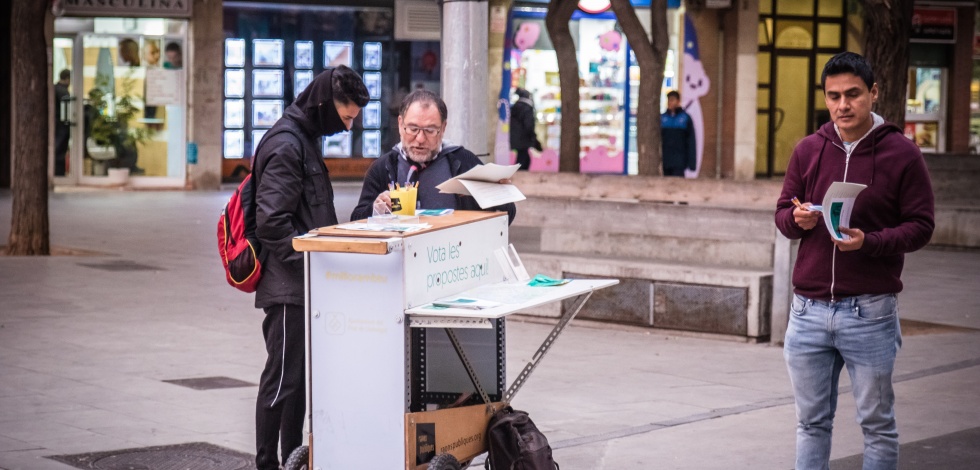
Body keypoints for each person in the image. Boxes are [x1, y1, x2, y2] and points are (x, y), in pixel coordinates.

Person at [774, 51, 934, 470]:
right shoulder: (809, 149)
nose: (842, 105)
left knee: (877, 425)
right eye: (833, 96)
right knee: (811, 423)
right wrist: (797, 218)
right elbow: (781, 216)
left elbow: (921, 226)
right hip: (807, 311)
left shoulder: (903, 154)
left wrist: (870, 242)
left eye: (853, 94)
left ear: (873, 93)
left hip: (870, 312)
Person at [251, 65, 369, 470]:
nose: (349, 128)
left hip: (305, 285)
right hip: (289, 287)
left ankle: (292, 460)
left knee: (297, 383)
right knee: (281, 381)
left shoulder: (305, 139)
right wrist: (309, 264)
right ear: (324, 107)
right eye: (347, 118)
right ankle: (267, 463)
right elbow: (271, 222)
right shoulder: (287, 145)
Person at [351, 89, 516, 224]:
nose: (420, 139)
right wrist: (375, 209)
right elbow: (355, 219)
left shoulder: (462, 161)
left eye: (430, 130)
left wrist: (499, 195)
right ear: (400, 124)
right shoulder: (384, 167)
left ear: (443, 128)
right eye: (413, 129)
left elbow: (506, 216)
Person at [660, 90, 695, 177]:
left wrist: (691, 163)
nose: (670, 103)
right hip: (666, 160)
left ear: (678, 101)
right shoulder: (663, 118)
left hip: (680, 160)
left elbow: (691, 141)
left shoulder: (685, 118)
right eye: (669, 100)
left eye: (672, 100)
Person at [509, 88, 541, 171]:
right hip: (524, 138)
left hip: (516, 138)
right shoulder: (527, 108)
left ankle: (516, 176)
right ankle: (516, 177)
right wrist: (533, 138)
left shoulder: (516, 106)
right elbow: (528, 125)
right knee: (523, 161)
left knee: (523, 158)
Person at [54, 69, 71, 177]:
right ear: (67, 79)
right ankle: (59, 174)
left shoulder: (54, 88)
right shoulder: (63, 91)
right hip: (61, 126)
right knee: (60, 151)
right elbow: (68, 110)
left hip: (56, 125)